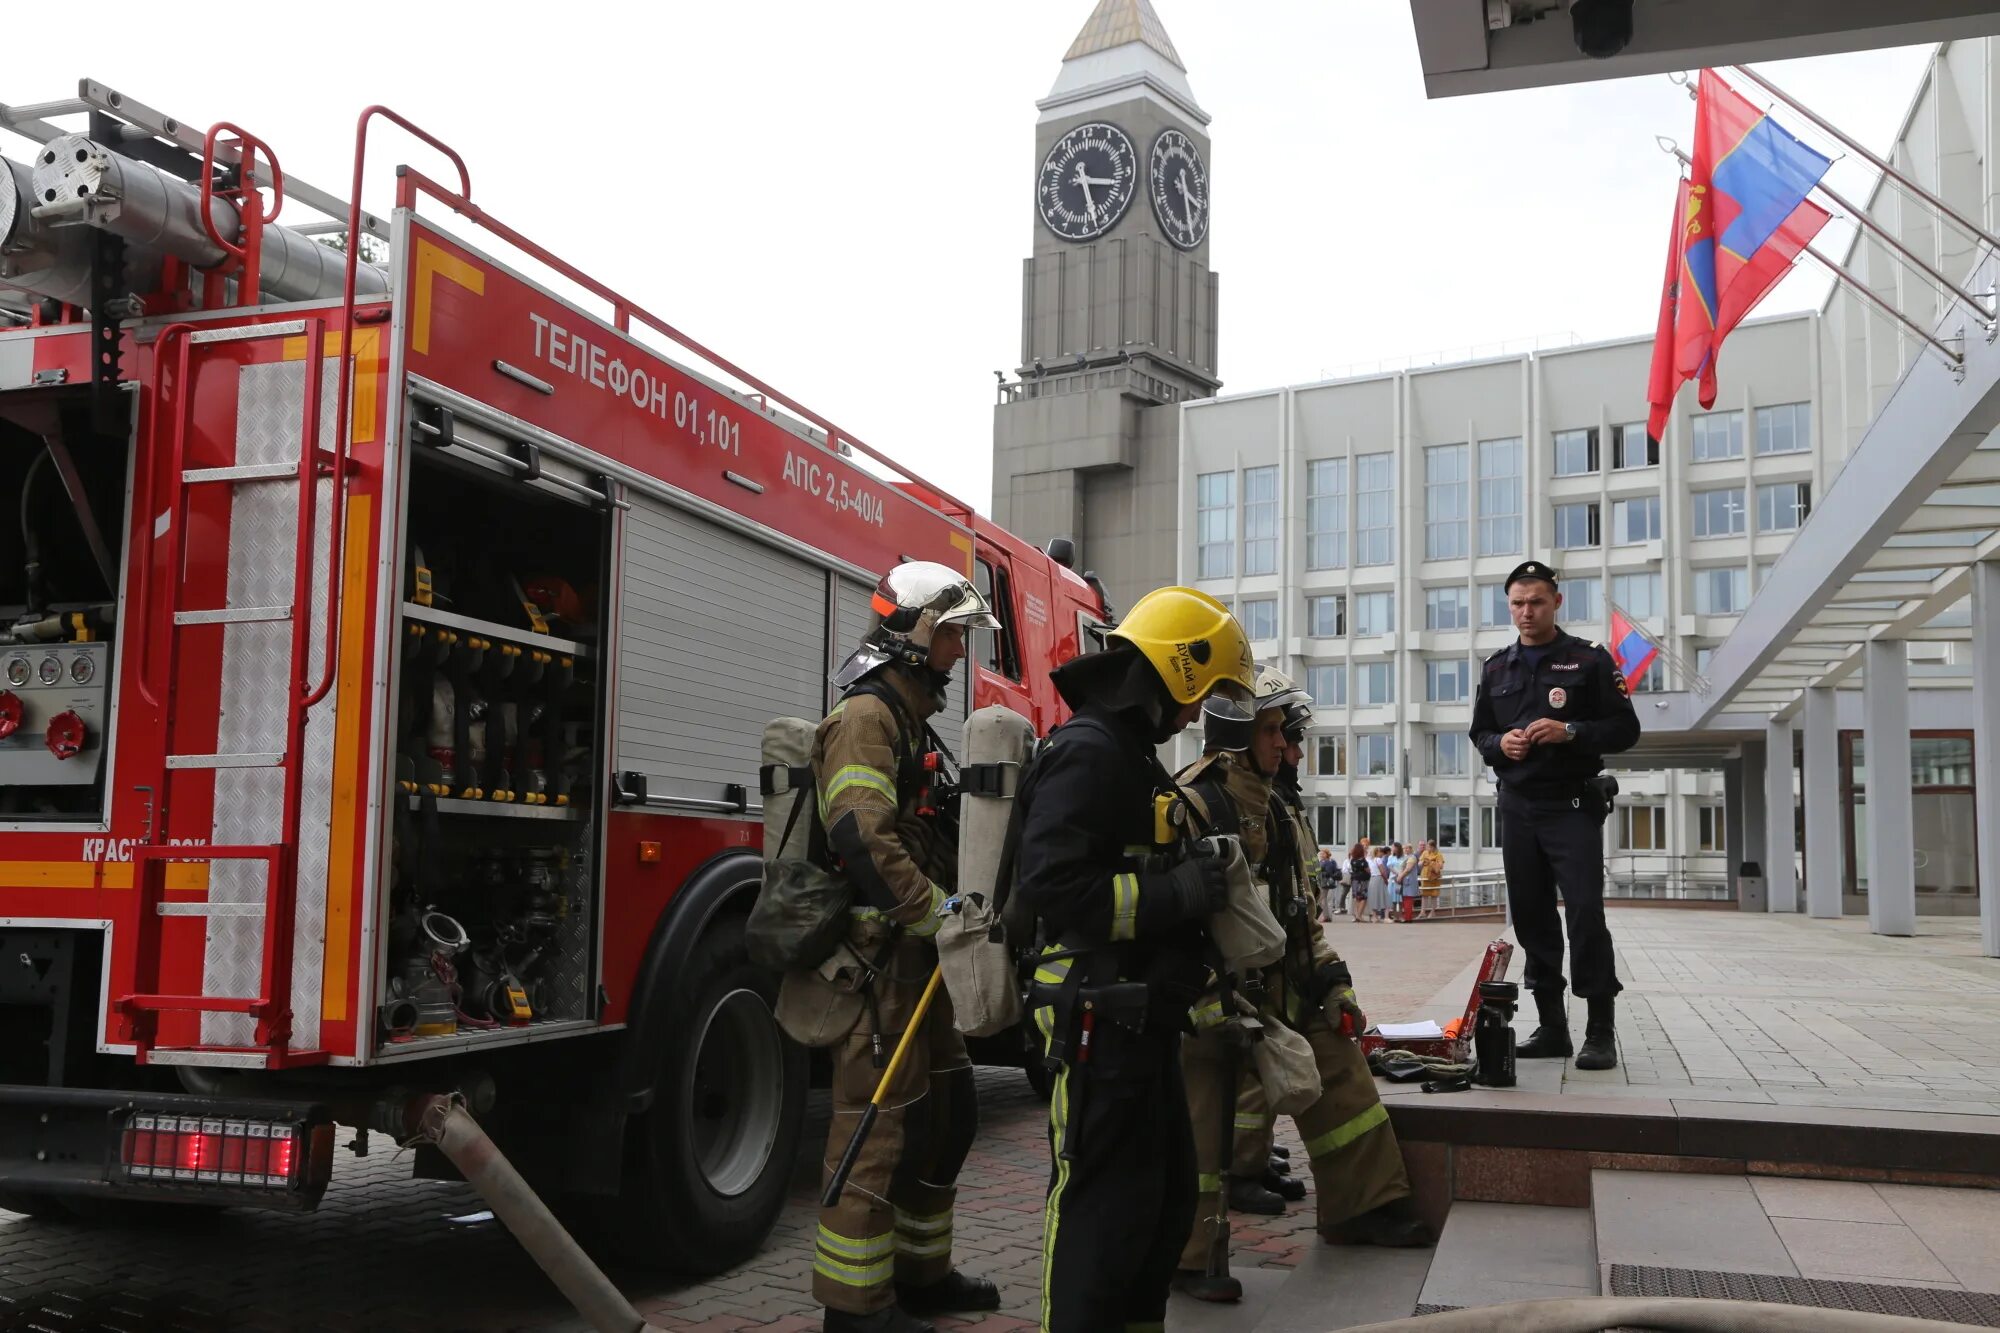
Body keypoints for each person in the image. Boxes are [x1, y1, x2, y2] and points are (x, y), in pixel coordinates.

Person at [1015, 587, 1255, 1333]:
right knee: (1098, 1215)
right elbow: (1053, 888)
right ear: (1176, 673)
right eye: (1203, 691)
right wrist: (1177, 890)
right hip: (1096, 1023)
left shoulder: (1131, 757)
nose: (1198, 713)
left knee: (1160, 1205)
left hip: (1141, 1019)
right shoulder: (1088, 753)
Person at [1172, 667, 1431, 1302]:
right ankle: (1190, 1258)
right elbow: (1175, 922)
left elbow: (1301, 915)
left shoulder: (1280, 810)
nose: (1289, 746)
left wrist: (1334, 985)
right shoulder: (1194, 805)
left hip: (1286, 989)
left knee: (1344, 1078)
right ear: (1237, 733)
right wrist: (1209, 1004)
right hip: (1215, 999)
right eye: (1275, 731)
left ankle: (1361, 1208)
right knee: (1204, 1130)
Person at [811, 562, 1003, 1333]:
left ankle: (922, 1274)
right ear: (915, 633)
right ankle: (853, 1310)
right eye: (953, 633)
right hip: (880, 960)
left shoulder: (908, 713)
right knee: (877, 1128)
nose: (960, 651)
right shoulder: (867, 716)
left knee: (945, 1116)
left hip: (918, 959)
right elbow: (860, 833)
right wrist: (936, 911)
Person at [1468, 560, 1641, 1072]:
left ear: (1556, 602)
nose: (1526, 611)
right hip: (1518, 808)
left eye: (1536, 601)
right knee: (1532, 918)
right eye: (1518, 603)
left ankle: (1600, 1030)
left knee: (1586, 913)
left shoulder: (1587, 660)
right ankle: (1552, 1028)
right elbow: (1480, 734)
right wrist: (1503, 743)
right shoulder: (1497, 666)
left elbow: (1625, 730)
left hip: (1571, 807)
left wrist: (1571, 732)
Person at [1419, 840, 1445, 921]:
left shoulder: (1438, 854)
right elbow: (1419, 863)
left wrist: (1432, 863)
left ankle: (1433, 912)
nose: (1427, 848)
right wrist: (1423, 862)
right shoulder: (1425, 853)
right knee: (1424, 895)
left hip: (1434, 877)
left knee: (1434, 895)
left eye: (1429, 847)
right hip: (1425, 876)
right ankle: (1423, 912)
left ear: (1433, 847)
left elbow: (1441, 866)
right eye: (1427, 846)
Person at [1347, 843, 1371, 922]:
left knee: (1357, 897)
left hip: (1354, 879)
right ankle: (1359, 915)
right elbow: (1367, 870)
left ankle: (1357, 915)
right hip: (1363, 879)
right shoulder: (1363, 861)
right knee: (1363, 897)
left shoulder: (1352, 860)